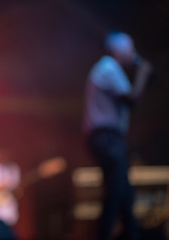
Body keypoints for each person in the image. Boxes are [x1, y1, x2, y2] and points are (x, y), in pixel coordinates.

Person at [82, 31, 153, 240]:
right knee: (116, 192)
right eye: (130, 49)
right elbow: (133, 99)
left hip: (108, 138)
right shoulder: (108, 67)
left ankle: (130, 234)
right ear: (118, 50)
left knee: (124, 194)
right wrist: (143, 73)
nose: (133, 54)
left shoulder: (109, 69)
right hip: (106, 138)